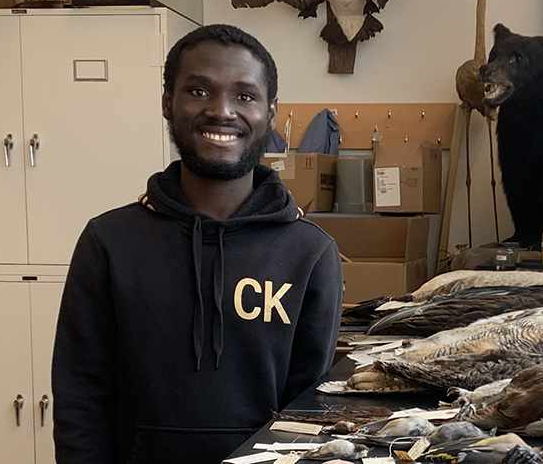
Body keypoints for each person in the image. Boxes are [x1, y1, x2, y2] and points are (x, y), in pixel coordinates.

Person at [51, 24, 343, 464]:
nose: (222, 111)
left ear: (270, 111)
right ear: (169, 102)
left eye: (245, 96)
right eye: (200, 91)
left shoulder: (310, 253)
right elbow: (81, 396)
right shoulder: (108, 242)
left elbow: (307, 413)